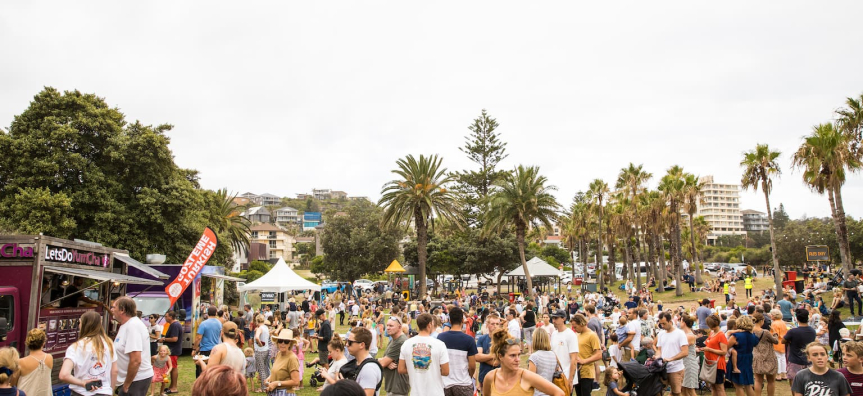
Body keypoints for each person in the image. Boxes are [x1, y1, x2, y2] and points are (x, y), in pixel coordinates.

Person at [481, 328, 564, 396]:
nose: (517, 359)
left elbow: (559, 393)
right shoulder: (491, 377)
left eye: (518, 355)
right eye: (512, 355)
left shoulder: (526, 376)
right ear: (500, 356)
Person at [59, 311, 116, 396]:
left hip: (81, 392)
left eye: (80, 322)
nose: (78, 325)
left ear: (84, 325)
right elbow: (115, 371)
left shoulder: (76, 347)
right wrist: (111, 391)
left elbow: (63, 375)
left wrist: (83, 383)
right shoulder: (109, 344)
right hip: (105, 392)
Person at [111, 297, 154, 396]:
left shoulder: (133, 326)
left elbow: (136, 360)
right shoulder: (126, 325)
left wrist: (126, 385)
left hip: (136, 380)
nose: (112, 310)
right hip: (131, 380)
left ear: (122, 310)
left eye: (114, 307)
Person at [398, 313, 449, 396]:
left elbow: (401, 369)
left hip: (416, 392)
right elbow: (446, 371)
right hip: (435, 392)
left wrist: (414, 368)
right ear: (429, 325)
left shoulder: (406, 344)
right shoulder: (440, 344)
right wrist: (433, 369)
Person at [438, 307, 477, 396]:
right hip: (463, 383)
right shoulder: (469, 340)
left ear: (450, 321)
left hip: (445, 383)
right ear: (462, 321)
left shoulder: (441, 337)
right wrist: (469, 376)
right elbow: (472, 366)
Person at [783, 309, 817, 387]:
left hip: (795, 359)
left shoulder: (793, 331)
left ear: (797, 318)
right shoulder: (812, 331)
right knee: (808, 383)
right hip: (808, 359)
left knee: (794, 383)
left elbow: (783, 341)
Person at [377, 316, 409, 396]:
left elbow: (383, 363)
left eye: (391, 326)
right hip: (392, 385)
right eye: (387, 325)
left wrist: (384, 362)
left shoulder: (400, 341)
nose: (387, 328)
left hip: (397, 387)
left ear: (399, 327)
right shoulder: (393, 340)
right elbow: (384, 360)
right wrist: (386, 362)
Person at [345, 327, 382, 396]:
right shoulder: (358, 363)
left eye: (350, 342)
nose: (347, 344)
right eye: (347, 341)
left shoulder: (369, 369)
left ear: (362, 345)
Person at [697, 314, 728, 396]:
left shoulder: (721, 335)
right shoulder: (712, 333)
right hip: (710, 362)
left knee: (719, 387)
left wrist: (709, 349)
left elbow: (724, 351)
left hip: (717, 365)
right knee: (713, 387)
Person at [727, 316, 758, 396]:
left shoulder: (736, 336)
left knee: (738, 385)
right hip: (748, 358)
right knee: (748, 384)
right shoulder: (753, 336)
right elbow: (755, 344)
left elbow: (726, 347)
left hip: (737, 359)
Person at [15, 329, 52, 396]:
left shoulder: (21, 362)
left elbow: (13, 384)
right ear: (43, 343)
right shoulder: (49, 358)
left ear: (27, 342)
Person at [265, 329, 302, 395]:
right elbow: (277, 371)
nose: (283, 343)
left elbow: (296, 382)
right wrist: (269, 380)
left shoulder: (292, 358)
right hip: (274, 392)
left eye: (286, 341)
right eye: (280, 341)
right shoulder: (279, 354)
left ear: (290, 343)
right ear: (277, 342)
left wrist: (277, 383)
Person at [572, 314, 601, 396]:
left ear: (581, 324)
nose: (574, 329)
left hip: (587, 373)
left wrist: (584, 361)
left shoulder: (592, 335)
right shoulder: (578, 335)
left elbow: (599, 355)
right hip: (577, 372)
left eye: (575, 327)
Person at [751, 313, 778, 396]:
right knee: (771, 380)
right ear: (762, 321)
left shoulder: (751, 331)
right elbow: (775, 341)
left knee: (758, 380)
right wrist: (775, 333)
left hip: (756, 356)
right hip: (768, 357)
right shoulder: (765, 332)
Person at [549, 309, 579, 387]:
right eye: (553, 318)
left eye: (556, 318)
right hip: (555, 375)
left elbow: (574, 358)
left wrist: (570, 379)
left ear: (563, 319)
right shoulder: (554, 334)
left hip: (567, 375)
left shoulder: (570, 335)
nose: (554, 321)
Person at [156, 311, 182, 394]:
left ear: (171, 317)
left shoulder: (175, 325)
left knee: (173, 368)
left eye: (166, 316)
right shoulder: (174, 324)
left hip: (173, 350)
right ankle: (171, 386)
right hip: (172, 350)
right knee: (172, 368)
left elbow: (174, 339)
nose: (165, 318)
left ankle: (174, 387)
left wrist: (163, 339)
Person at [193, 306, 223, 378]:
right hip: (216, 349)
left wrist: (194, 348)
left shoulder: (204, 324)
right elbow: (221, 335)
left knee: (202, 370)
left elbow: (198, 337)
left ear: (207, 313)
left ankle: (201, 385)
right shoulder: (219, 323)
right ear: (216, 313)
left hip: (205, 349)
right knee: (214, 370)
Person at [528, 328, 557, 396]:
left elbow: (531, 379)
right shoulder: (553, 355)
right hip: (551, 392)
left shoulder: (534, 357)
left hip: (538, 393)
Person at [475, 313, 501, 389]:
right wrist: (493, 355)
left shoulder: (502, 340)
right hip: (484, 376)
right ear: (487, 325)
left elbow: (497, 363)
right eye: (492, 324)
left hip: (500, 377)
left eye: (497, 324)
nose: (495, 326)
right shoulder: (482, 339)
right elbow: (477, 357)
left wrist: (484, 357)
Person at [679, 314, 699, 396]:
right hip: (684, 363)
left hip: (689, 363)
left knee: (690, 389)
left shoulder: (690, 336)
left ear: (684, 322)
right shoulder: (684, 334)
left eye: (680, 321)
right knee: (684, 388)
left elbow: (680, 348)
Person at [252, 314, 270, 393]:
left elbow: (256, 337)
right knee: (265, 368)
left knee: (261, 370)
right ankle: (267, 384)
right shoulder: (266, 327)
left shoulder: (260, 328)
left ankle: (263, 387)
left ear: (257, 321)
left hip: (260, 350)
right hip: (266, 349)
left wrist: (259, 343)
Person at [769, 310, 788, 382]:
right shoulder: (783, 322)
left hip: (777, 342)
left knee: (777, 358)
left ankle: (778, 374)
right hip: (783, 342)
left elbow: (774, 334)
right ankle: (784, 373)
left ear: (774, 316)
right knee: (783, 358)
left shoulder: (774, 323)